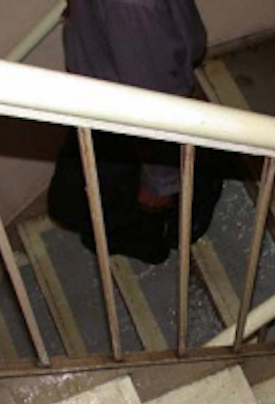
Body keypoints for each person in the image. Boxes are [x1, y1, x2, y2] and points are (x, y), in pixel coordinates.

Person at [48, 0, 221, 264]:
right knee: (73, 205)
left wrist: (160, 182)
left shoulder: (130, 6)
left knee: (74, 208)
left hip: (127, 118)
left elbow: (155, 104)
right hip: (109, 98)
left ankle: (166, 226)